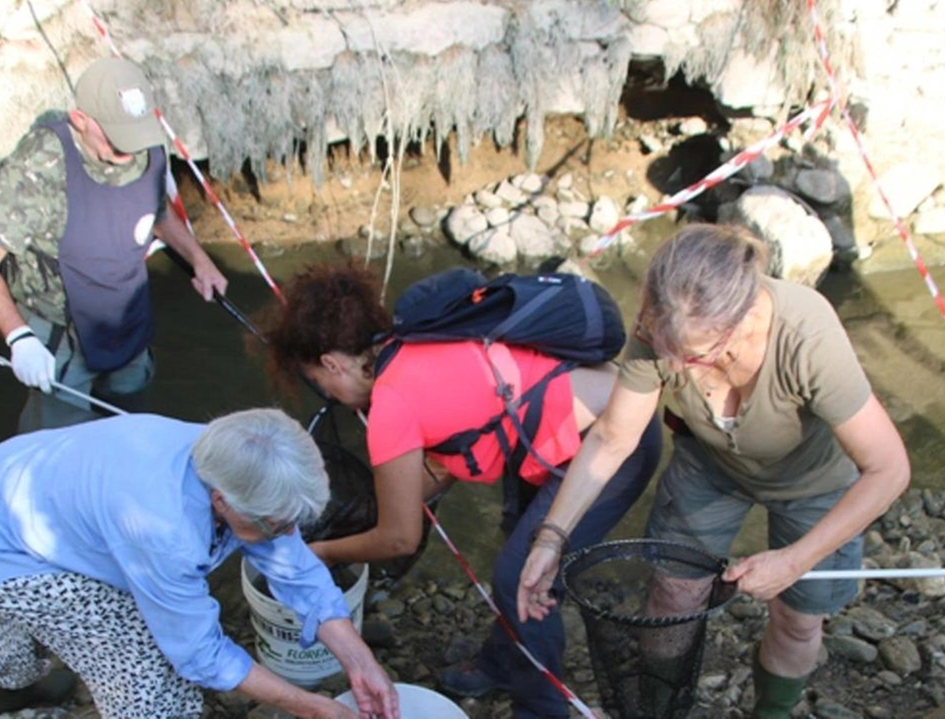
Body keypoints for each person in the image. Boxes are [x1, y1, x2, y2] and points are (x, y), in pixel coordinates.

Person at [515, 225, 910, 719]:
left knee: (797, 620)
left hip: (814, 483)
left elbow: (889, 468)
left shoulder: (808, 337)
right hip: (711, 464)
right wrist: (552, 537)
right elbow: (613, 437)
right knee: (672, 594)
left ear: (743, 319)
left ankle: (772, 712)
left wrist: (793, 560)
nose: (682, 370)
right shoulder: (659, 327)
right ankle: (661, 707)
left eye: (698, 356)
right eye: (668, 353)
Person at [264, 265, 662, 719]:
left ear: (332, 363)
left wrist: (326, 552)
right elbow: (449, 458)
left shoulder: (392, 403)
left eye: (320, 382)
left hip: (612, 443)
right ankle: (501, 661)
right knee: (518, 546)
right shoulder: (410, 342)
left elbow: (399, 539)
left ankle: (542, 709)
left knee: (520, 576)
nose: (330, 393)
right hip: (547, 441)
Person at [0, 408, 399, 719]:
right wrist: (314, 707)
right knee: (146, 673)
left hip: (0, 490)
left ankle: (4, 686)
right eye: (278, 525)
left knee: (58, 607)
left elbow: (295, 567)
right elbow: (199, 655)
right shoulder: (164, 530)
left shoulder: (234, 454)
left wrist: (360, 662)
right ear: (223, 501)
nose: (287, 535)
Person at [0, 57, 228, 433]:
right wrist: (20, 337)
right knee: (58, 440)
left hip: (126, 319)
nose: (128, 152)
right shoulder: (41, 167)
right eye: (116, 140)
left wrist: (199, 259)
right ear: (80, 120)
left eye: (135, 136)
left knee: (128, 424)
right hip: (60, 328)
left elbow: (157, 209)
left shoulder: (145, 144)